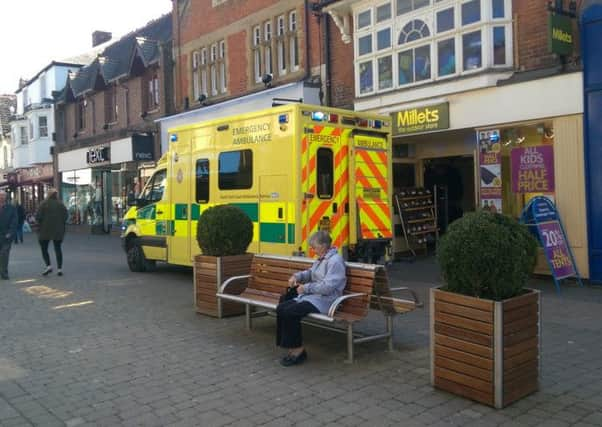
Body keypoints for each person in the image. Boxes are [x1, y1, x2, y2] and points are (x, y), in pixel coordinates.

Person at [276, 230, 347, 366]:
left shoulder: (335, 261)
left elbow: (328, 287)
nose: (312, 249)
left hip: (327, 301)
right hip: (314, 297)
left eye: (314, 247)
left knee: (291, 311)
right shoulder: (322, 258)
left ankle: (298, 351)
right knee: (282, 307)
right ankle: (290, 346)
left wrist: (306, 288)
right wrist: (297, 276)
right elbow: (310, 273)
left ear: (324, 246)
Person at [36, 189, 68, 276]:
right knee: (58, 248)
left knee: (44, 248)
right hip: (58, 230)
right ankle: (59, 269)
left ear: (48, 194)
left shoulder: (43, 204)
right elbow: (66, 216)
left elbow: (38, 216)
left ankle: (48, 266)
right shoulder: (61, 204)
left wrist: (40, 223)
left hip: (44, 230)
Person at [0, 192, 18, 280]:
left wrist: (10, 233)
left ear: (6, 197)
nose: (1, 197)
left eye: (3, 195)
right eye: (0, 195)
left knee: (4, 254)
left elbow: (14, 221)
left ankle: (4, 273)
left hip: (6, 236)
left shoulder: (11, 208)